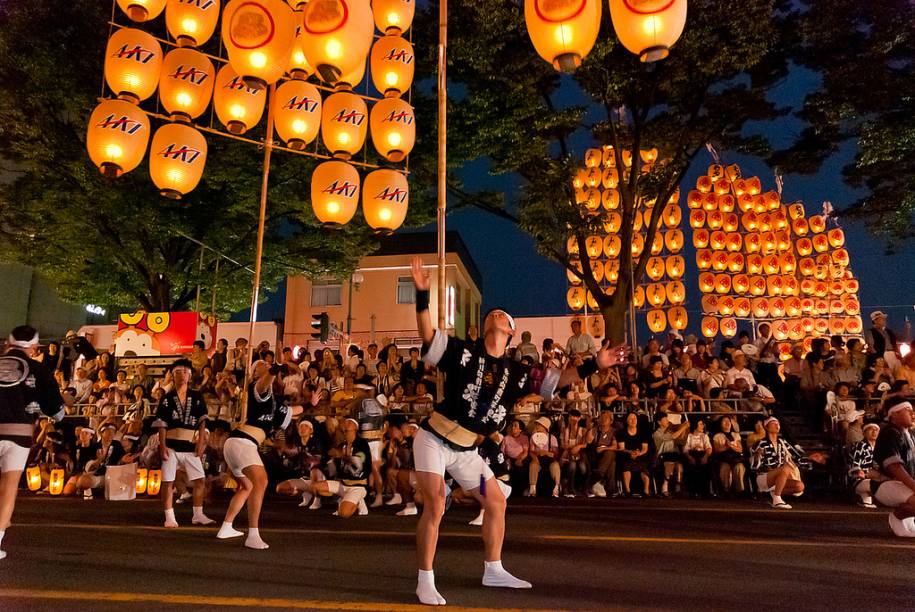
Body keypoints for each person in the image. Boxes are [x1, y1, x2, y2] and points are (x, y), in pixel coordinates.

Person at [408, 256, 623, 605]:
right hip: (432, 440)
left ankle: (493, 569)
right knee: (434, 504)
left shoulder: (516, 373)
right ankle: (425, 579)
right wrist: (422, 294)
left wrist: (595, 364)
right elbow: (428, 335)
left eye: (503, 316)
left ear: (510, 331)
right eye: (492, 313)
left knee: (495, 501)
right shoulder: (464, 354)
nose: (496, 315)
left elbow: (556, 381)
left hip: (465, 453)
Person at [0, 325, 68, 560]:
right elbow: (57, 411)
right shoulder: (38, 369)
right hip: (18, 434)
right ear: (34, 348)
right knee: (8, 488)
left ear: (8, 344)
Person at [217, 361, 291, 549]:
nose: (265, 365)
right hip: (243, 443)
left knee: (246, 486)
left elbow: (293, 411)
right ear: (255, 373)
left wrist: (311, 403)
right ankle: (253, 534)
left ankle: (226, 527)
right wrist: (275, 369)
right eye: (260, 365)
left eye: (266, 364)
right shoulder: (257, 388)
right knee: (261, 482)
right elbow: (265, 383)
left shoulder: (273, 401)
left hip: (237, 443)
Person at [152, 359, 215, 528]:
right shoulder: (167, 398)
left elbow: (202, 423)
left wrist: (201, 444)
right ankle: (169, 516)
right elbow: (162, 423)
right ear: (172, 375)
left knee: (200, 480)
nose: (181, 375)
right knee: (168, 481)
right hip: (171, 445)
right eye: (177, 372)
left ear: (190, 375)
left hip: (190, 445)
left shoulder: (196, 396)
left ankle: (198, 514)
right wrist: (162, 445)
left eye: (185, 371)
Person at [872, 398, 915, 537]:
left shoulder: (909, 435)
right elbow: (893, 466)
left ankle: (907, 518)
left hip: (903, 484)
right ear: (894, 414)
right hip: (885, 483)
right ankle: (897, 516)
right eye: (908, 410)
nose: (913, 414)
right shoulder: (889, 432)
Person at [750, 417, 809, 509]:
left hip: (780, 476)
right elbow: (753, 466)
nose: (777, 425)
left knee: (800, 486)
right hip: (764, 477)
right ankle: (777, 499)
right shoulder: (760, 443)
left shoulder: (782, 442)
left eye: (778, 423)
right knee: (785, 468)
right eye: (773, 423)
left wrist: (810, 458)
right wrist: (758, 456)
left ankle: (773, 492)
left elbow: (797, 456)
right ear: (766, 427)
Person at [618, 412, 651, 498]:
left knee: (644, 469)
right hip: (627, 455)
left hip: (640, 454)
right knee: (626, 466)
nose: (633, 421)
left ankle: (646, 491)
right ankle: (627, 491)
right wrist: (631, 452)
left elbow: (645, 448)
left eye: (635, 419)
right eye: (631, 419)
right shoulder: (622, 433)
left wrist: (638, 453)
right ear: (627, 421)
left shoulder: (643, 433)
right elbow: (622, 448)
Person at [848, 422, 880, 509]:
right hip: (860, 479)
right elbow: (855, 465)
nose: (874, 432)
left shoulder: (878, 448)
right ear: (864, 432)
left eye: (876, 430)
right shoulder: (861, 445)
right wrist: (863, 473)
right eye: (870, 429)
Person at [713, 416, 746, 496]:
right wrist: (726, 447)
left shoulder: (736, 435)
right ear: (720, 424)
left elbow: (740, 449)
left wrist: (731, 446)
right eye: (724, 421)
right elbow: (717, 450)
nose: (727, 423)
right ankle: (726, 490)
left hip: (735, 458)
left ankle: (739, 490)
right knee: (725, 467)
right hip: (723, 458)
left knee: (739, 467)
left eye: (729, 421)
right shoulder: (717, 436)